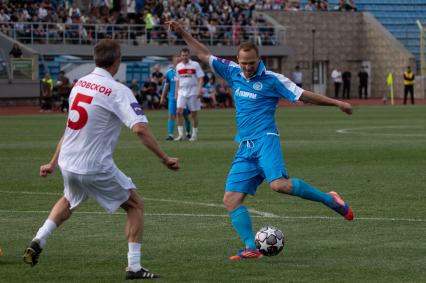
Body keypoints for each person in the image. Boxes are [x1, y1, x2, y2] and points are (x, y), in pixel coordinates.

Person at [168, 20, 354, 260]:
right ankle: (252, 248)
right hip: (245, 146)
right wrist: (183, 32)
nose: (246, 68)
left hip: (266, 139)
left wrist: (337, 102)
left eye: (251, 63)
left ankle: (331, 200)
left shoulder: (273, 79)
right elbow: (204, 54)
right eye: (243, 63)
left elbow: (303, 95)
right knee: (231, 200)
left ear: (259, 59)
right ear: (238, 59)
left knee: (279, 185)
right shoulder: (232, 71)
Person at [23, 39, 179, 280]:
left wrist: (53, 163)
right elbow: (139, 129)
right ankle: (134, 267)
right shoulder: (118, 90)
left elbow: (69, 129)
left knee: (69, 198)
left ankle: (39, 240)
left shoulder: (79, 85)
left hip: (68, 162)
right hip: (93, 165)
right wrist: (164, 157)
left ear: (95, 59)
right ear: (117, 61)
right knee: (135, 205)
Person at [174, 48, 204, 141]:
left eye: (186, 55)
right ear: (180, 56)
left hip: (193, 91)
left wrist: (199, 90)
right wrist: (176, 93)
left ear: (189, 55)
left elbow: (201, 78)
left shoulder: (195, 65)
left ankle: (194, 135)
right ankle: (180, 135)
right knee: (178, 112)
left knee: (194, 114)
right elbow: (177, 80)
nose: (184, 57)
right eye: (183, 55)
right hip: (182, 92)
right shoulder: (178, 66)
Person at [160, 55, 192, 140]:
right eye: (176, 61)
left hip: (184, 96)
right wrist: (162, 96)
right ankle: (170, 135)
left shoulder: (185, 71)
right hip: (172, 98)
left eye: (179, 60)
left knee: (185, 116)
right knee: (171, 115)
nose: (178, 62)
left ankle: (188, 133)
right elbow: (166, 85)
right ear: (173, 62)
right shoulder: (169, 73)